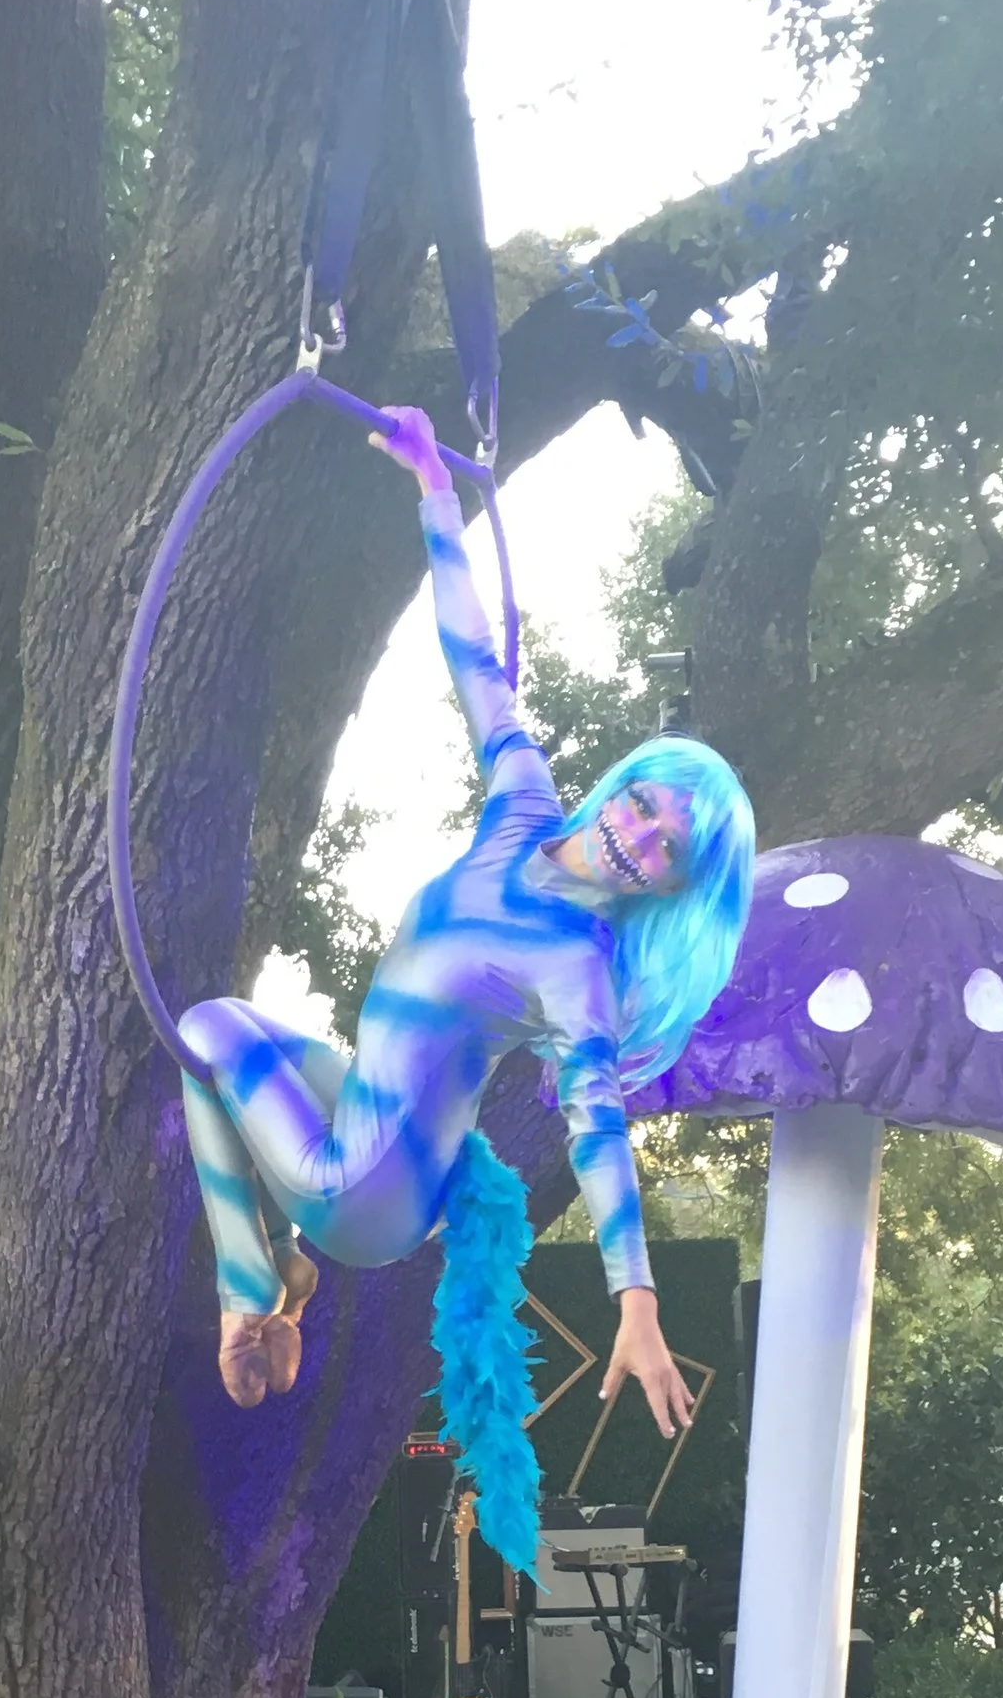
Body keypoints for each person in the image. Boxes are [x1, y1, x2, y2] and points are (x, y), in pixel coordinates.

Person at [175, 404, 754, 1447]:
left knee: (209, 1035)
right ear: (618, 788)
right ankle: (278, 1271)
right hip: (360, 1108)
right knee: (210, 1031)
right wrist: (434, 494)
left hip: (373, 1190)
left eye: (671, 848)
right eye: (645, 805)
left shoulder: (578, 967)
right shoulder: (523, 803)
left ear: (673, 888)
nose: (641, 838)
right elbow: (473, 658)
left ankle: (249, 1286)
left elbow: (598, 1129)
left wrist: (637, 1301)